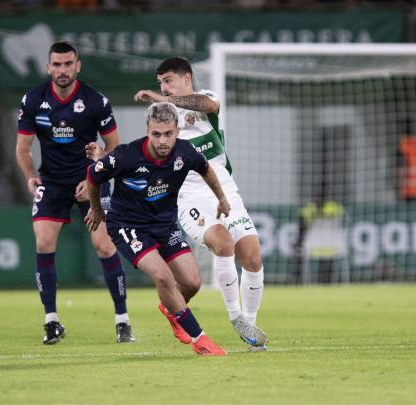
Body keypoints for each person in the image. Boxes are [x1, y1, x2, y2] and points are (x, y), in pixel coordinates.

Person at [132, 57, 268, 350]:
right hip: (189, 195)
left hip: (224, 189)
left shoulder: (208, 99)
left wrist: (164, 99)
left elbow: (205, 105)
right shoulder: (161, 118)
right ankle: (235, 317)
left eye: (168, 80)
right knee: (223, 243)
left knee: (253, 257)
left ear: (187, 78)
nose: (163, 88)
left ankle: (250, 325)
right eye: (160, 83)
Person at [85, 102, 232, 356]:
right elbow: (93, 175)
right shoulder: (126, 155)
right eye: (156, 134)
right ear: (147, 131)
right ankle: (200, 339)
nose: (162, 140)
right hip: (128, 226)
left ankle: (171, 308)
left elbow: (206, 169)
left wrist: (222, 199)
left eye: (168, 134)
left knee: (192, 282)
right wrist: (97, 208)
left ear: (177, 131)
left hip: (164, 225)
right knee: (163, 277)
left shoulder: (185, 152)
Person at [16, 41, 134, 345]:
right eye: (57, 64)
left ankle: (122, 321)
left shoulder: (96, 101)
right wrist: (30, 176)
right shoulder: (33, 100)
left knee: (104, 247)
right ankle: (51, 322)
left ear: (77, 66)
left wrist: (94, 175)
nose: (62, 70)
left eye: (68, 64)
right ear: (48, 67)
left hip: (90, 180)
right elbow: (23, 148)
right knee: (43, 242)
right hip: (51, 182)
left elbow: (115, 148)